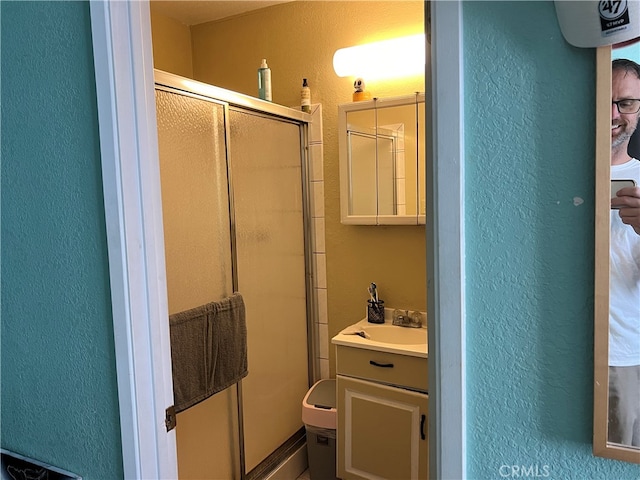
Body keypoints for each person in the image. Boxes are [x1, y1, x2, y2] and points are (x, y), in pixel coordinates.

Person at [608, 58, 640, 447]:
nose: (614, 113)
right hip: (550, 347)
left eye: (626, 103)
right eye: (607, 100)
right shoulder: (554, 174)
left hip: (622, 352)